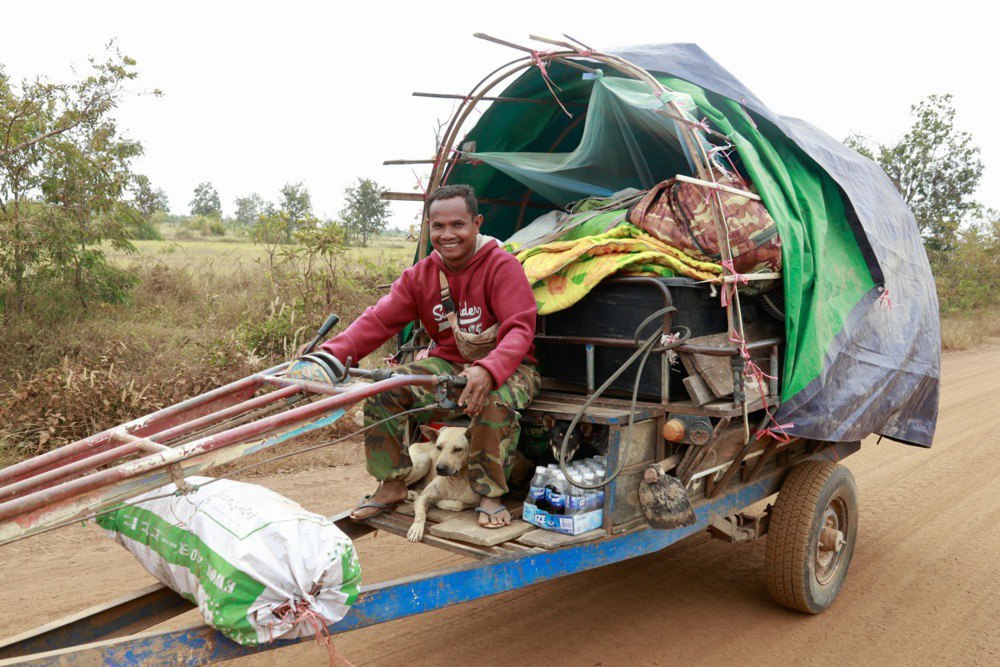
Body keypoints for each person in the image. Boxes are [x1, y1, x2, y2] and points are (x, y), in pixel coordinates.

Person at [319, 184, 539, 527]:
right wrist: (327, 356)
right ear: (429, 228)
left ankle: (490, 493)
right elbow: (378, 320)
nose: (447, 234)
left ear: (477, 223)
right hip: (449, 364)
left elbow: (520, 330)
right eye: (438, 226)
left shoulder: (501, 266)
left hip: (511, 366)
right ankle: (391, 484)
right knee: (387, 386)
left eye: (458, 225)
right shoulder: (421, 275)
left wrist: (489, 370)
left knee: (492, 400)